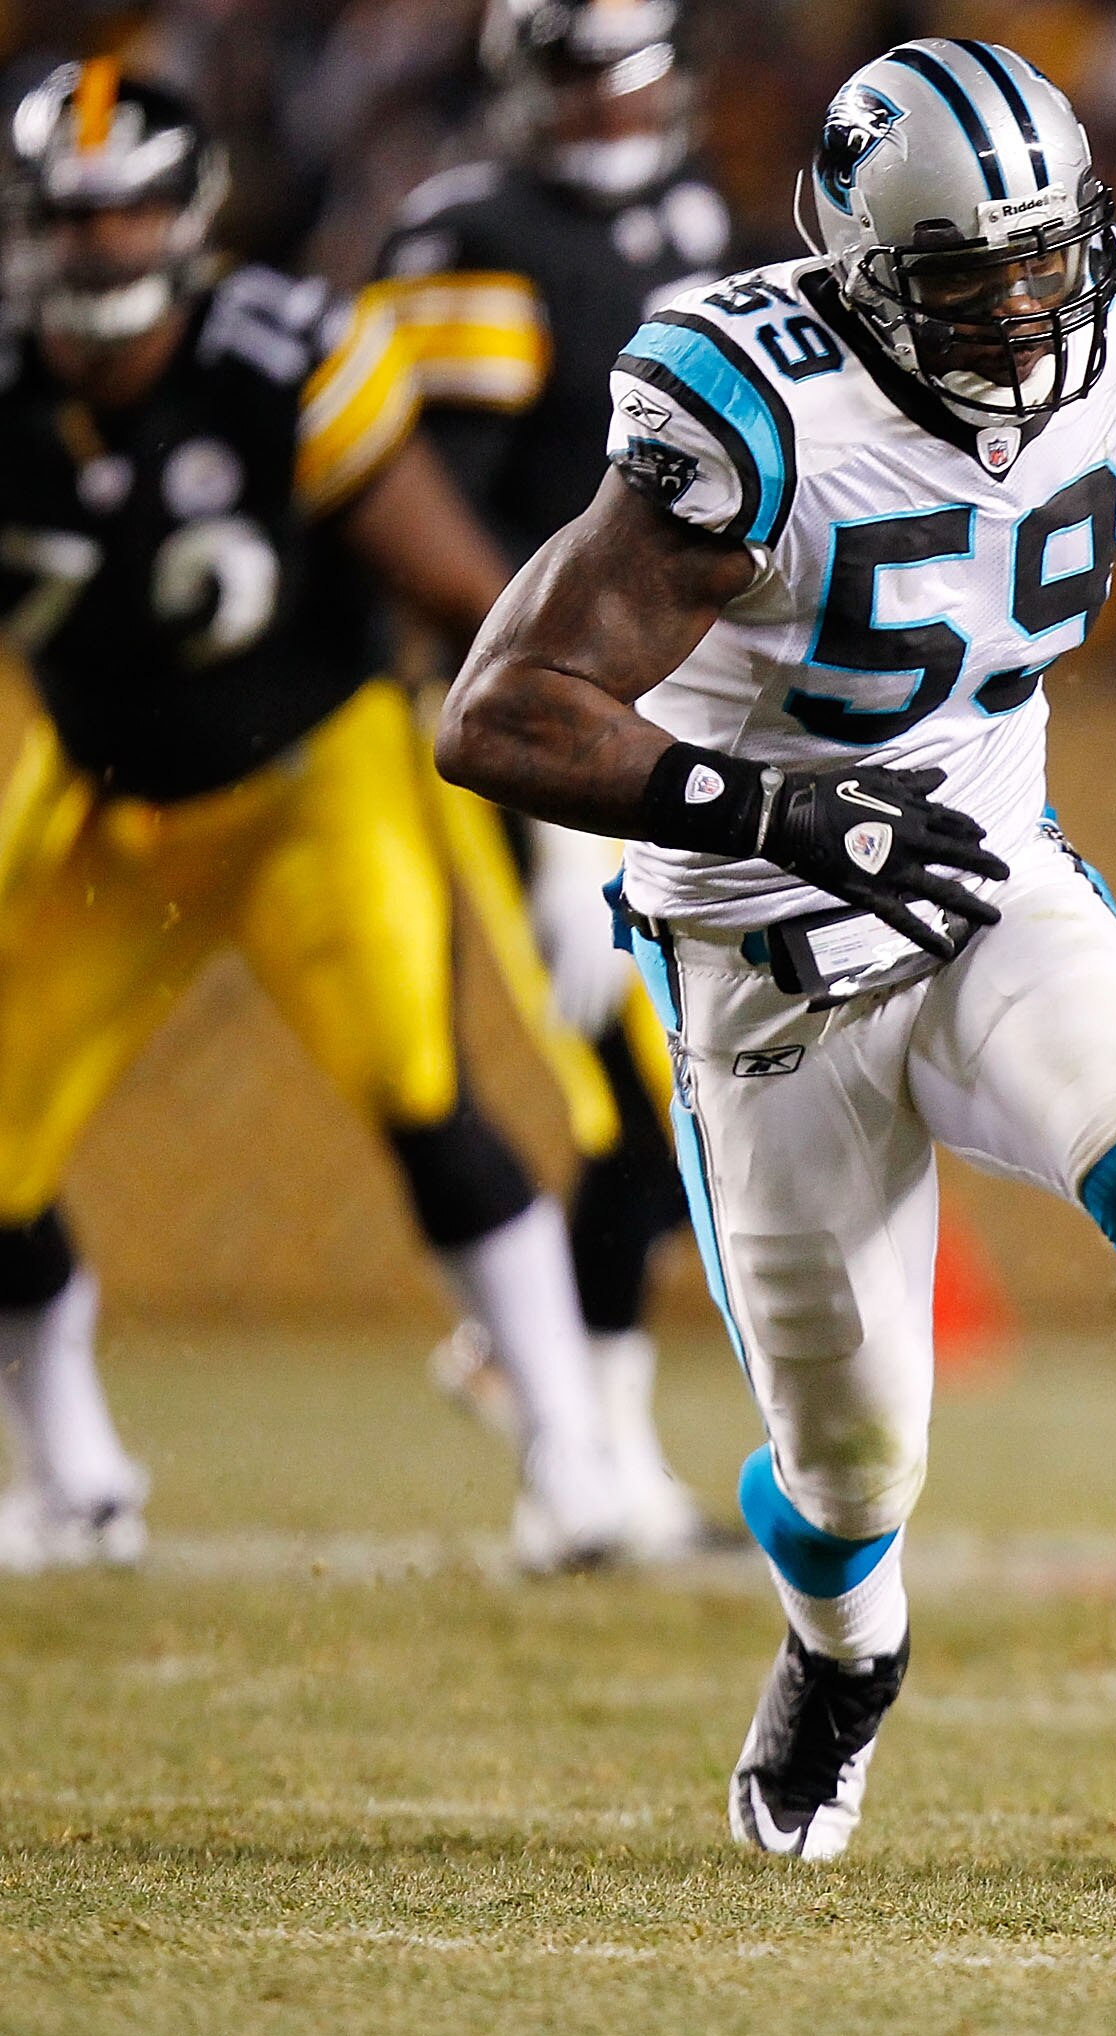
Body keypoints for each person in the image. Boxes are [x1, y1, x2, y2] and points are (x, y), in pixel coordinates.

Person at [436, 40, 1116, 1860]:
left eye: (1049, 258)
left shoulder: (1114, 333)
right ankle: (842, 1650)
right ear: (864, 267)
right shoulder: (755, 408)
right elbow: (503, 711)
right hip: (762, 955)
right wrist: (783, 813)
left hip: (982, 883)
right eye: (973, 278)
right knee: (853, 1466)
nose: (1028, 312)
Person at [0, 61, 626, 1573]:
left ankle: (575, 1455)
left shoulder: (281, 354)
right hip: (99, 797)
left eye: (132, 209)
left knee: (420, 1090)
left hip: (310, 781)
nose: (101, 249)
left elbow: (462, 585)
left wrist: (572, 805)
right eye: (74, 218)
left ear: (192, 212)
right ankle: (72, 1470)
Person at [375, 0, 734, 1556]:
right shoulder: (467, 236)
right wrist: (548, 778)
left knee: (698, 1108)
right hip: (540, 727)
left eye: (629, 75)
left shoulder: (696, 207)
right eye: (579, 82)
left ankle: (585, 1439)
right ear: (523, 91)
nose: (608, 110)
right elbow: (429, 532)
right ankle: (581, 1472)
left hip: (681, 709)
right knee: (640, 1107)